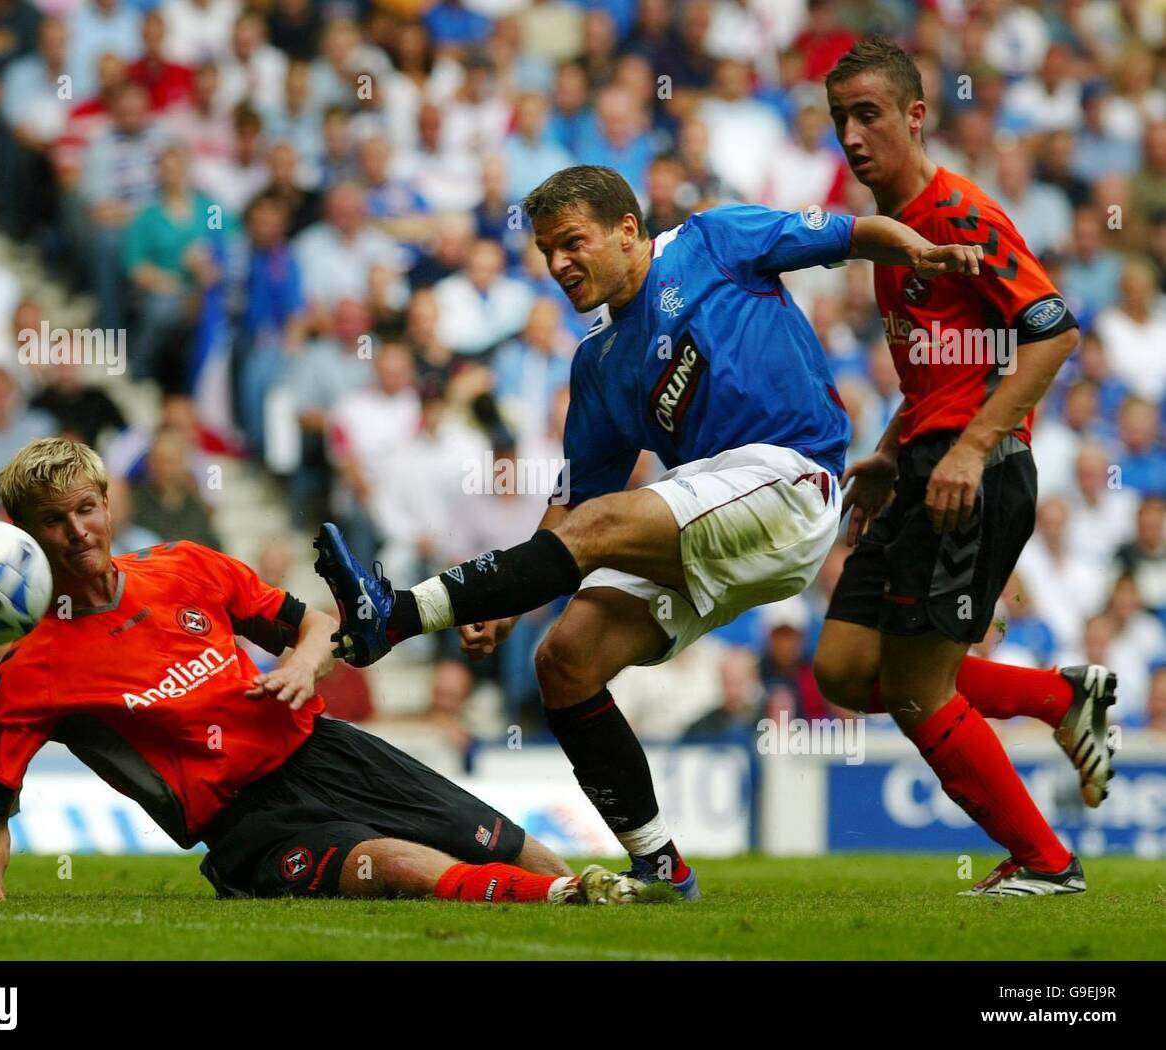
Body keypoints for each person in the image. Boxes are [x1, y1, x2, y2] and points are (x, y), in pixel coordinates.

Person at [316, 163, 985, 899]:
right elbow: (572, 509)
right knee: (564, 662)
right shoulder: (598, 363)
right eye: (545, 251)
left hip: (791, 478)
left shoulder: (715, 240)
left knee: (613, 521)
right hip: (712, 519)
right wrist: (504, 605)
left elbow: (854, 235)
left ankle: (396, 616)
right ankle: (661, 866)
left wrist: (918, 251)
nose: (558, 264)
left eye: (572, 242)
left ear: (628, 230)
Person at [0, 438, 643, 907]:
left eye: (85, 509)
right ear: (25, 534)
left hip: (329, 750)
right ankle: (567, 897)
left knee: (520, 851)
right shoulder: (33, 668)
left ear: (108, 505)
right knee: (400, 867)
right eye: (54, 521)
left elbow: (314, 624)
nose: (78, 530)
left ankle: (583, 892)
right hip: (248, 824)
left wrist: (301, 664)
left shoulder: (184, 567)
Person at [816, 39, 1102, 898]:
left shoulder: (961, 215)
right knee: (842, 668)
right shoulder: (895, 241)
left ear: (915, 115)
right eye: (839, 120)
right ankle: (1059, 699)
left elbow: (1054, 330)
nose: (852, 137)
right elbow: (946, 373)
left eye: (868, 114)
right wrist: (889, 454)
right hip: (922, 464)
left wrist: (972, 448)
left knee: (913, 690)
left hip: (971, 471)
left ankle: (1048, 866)